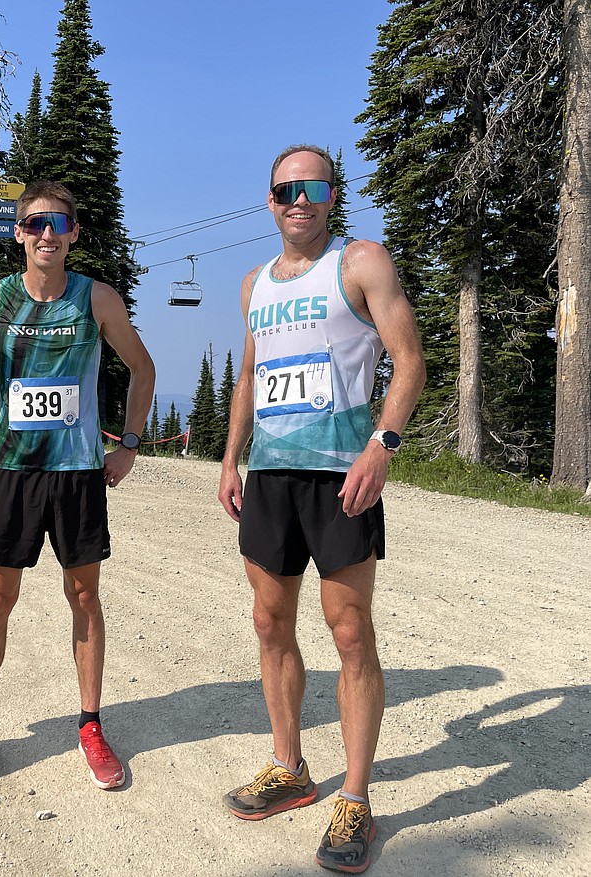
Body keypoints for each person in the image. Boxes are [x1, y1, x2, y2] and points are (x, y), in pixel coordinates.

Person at [217, 146, 426, 873]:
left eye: (311, 187)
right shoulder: (253, 284)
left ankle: (357, 797)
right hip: (271, 478)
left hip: (342, 477)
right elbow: (248, 374)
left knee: (349, 631)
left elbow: (409, 358)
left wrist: (382, 447)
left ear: (332, 195)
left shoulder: (361, 261)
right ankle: (291, 767)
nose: (297, 199)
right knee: (270, 621)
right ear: (269, 201)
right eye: (284, 189)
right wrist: (229, 456)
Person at [0, 180, 155, 795]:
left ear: (74, 234)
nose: (46, 234)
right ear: (18, 232)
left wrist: (129, 445)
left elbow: (143, 369)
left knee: (84, 597)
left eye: (58, 224)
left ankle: (90, 724)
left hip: (78, 473)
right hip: (12, 471)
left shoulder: (96, 298)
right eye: (35, 223)